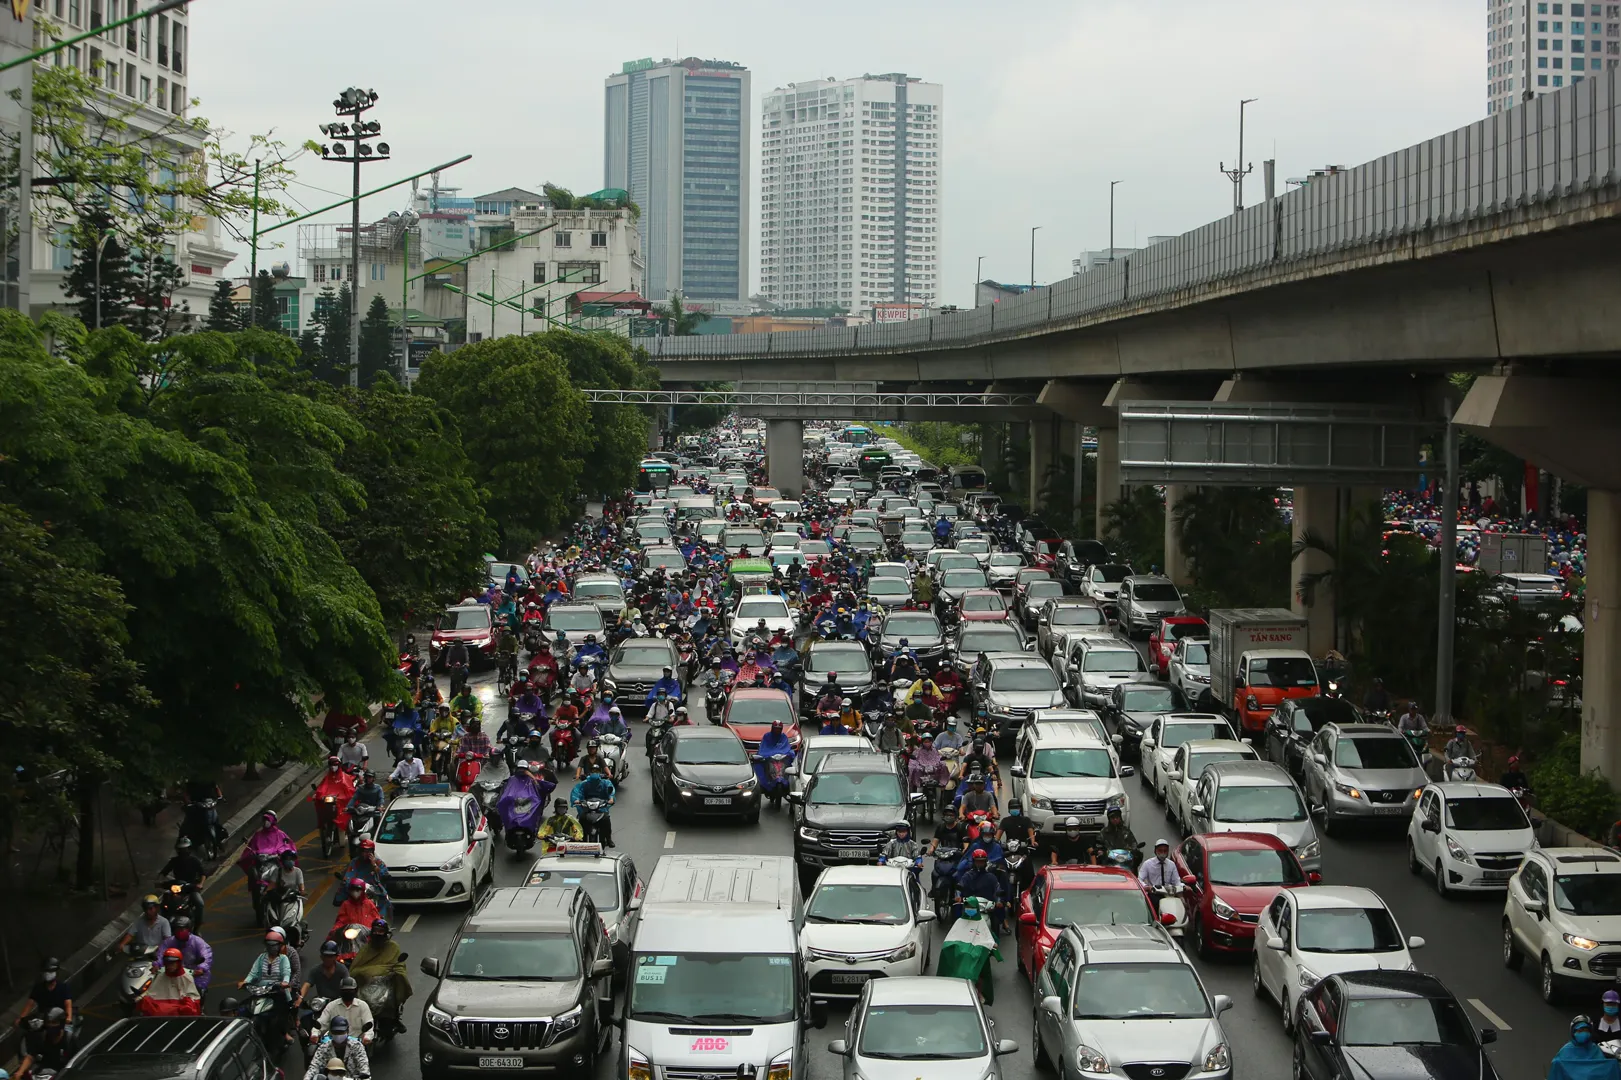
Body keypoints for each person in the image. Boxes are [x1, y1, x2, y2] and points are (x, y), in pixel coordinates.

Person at [349, 920, 411, 1014]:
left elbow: (399, 967)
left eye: (380, 931)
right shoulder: (365, 949)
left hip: (386, 984)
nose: (377, 933)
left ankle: (396, 1010)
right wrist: (368, 972)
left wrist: (395, 973)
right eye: (376, 931)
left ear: (386, 933)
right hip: (367, 985)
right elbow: (355, 969)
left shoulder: (393, 947)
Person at [1548, 1015, 1620, 1080]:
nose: (1583, 1033)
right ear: (1573, 1033)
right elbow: (1557, 1067)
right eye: (1580, 1030)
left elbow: (1601, 1067)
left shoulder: (1594, 1048)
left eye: (1586, 1030)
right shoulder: (1566, 1049)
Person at [155, 917, 212, 994]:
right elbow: (161, 953)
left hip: (194, 975)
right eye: (177, 929)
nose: (179, 932)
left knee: (198, 993)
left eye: (182, 930)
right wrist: (157, 964)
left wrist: (202, 968)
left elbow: (206, 954)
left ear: (189, 930)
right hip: (174, 973)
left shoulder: (198, 942)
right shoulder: (169, 942)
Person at [954, 849, 1006, 935]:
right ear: (974, 862)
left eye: (981, 862)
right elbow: (960, 886)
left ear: (985, 862)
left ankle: (994, 939)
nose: (979, 864)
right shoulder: (967, 875)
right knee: (957, 915)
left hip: (987, 908)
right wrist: (958, 896)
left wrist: (999, 901)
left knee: (996, 919)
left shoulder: (991, 877)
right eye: (978, 862)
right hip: (970, 906)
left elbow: (997, 888)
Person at [304, 1015, 370, 1080]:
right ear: (331, 1032)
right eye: (336, 1032)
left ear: (347, 1031)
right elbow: (314, 1067)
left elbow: (364, 1068)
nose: (338, 1035)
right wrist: (307, 1078)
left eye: (341, 1032)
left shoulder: (357, 1047)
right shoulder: (324, 1048)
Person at [312, 980, 375, 1047]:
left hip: (357, 1046)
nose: (348, 993)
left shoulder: (362, 1006)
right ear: (340, 991)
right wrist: (315, 1034)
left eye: (350, 991)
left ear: (355, 991)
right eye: (345, 991)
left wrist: (367, 1038)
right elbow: (321, 1023)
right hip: (334, 1045)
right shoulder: (332, 1006)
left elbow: (369, 1026)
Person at [297, 940, 351, 1018]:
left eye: (330, 956)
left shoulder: (342, 969)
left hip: (339, 1002)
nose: (328, 959)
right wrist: (300, 998)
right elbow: (307, 984)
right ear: (321, 956)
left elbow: (348, 984)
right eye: (325, 956)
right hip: (321, 1003)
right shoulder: (315, 970)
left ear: (336, 957)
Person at [138, 949, 201, 1015]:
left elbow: (193, 1001)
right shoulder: (160, 977)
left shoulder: (187, 978)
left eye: (172, 963)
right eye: (167, 963)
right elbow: (149, 996)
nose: (169, 965)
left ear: (178, 963)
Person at [16, 958, 72, 1028]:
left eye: (50, 971)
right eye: (45, 971)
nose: (47, 974)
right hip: (44, 1020)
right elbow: (30, 1004)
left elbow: (68, 1004)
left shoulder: (63, 987)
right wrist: (21, 1018)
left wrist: (68, 1017)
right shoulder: (38, 988)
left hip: (59, 1019)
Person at [17, 1008, 74, 1077]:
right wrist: (20, 1072)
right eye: (48, 1023)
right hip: (43, 1074)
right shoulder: (41, 1037)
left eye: (54, 1023)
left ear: (61, 1024)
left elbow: (76, 1060)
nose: (50, 1025)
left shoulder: (69, 1039)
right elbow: (31, 1056)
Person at [570, 771, 617, 847]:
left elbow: (611, 791)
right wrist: (576, 799)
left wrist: (610, 799)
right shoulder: (584, 784)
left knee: (606, 819)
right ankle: (581, 837)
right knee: (581, 818)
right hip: (587, 806)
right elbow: (576, 792)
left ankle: (608, 838)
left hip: (601, 807)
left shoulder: (605, 783)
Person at [329, 879, 383, 944]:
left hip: (367, 939)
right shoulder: (346, 904)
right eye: (352, 890)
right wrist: (335, 930)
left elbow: (376, 919)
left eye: (357, 890)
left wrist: (378, 929)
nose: (355, 892)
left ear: (362, 891)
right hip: (349, 939)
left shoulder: (369, 904)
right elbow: (340, 921)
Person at [754, 719, 796, 792]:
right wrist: (765, 755)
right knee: (759, 765)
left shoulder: (783, 737)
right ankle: (764, 782)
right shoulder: (767, 736)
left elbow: (786, 747)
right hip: (769, 759)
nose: (777, 731)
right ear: (772, 729)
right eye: (775, 729)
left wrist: (788, 754)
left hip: (781, 760)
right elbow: (764, 748)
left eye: (778, 729)